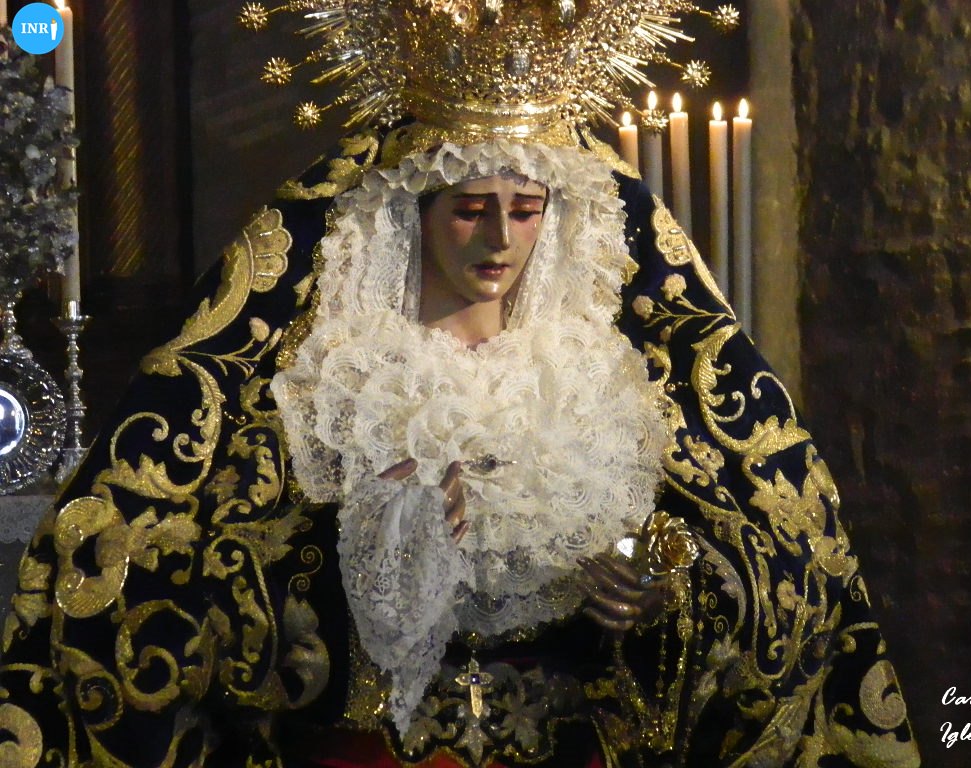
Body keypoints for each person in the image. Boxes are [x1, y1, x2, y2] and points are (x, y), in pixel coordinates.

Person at [0, 2, 921, 766]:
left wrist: (663, 586)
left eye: (527, 211)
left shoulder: (604, 381)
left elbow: (772, 562)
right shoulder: (328, 381)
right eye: (471, 209)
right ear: (414, 213)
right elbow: (188, 581)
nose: (499, 241)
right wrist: (365, 548)